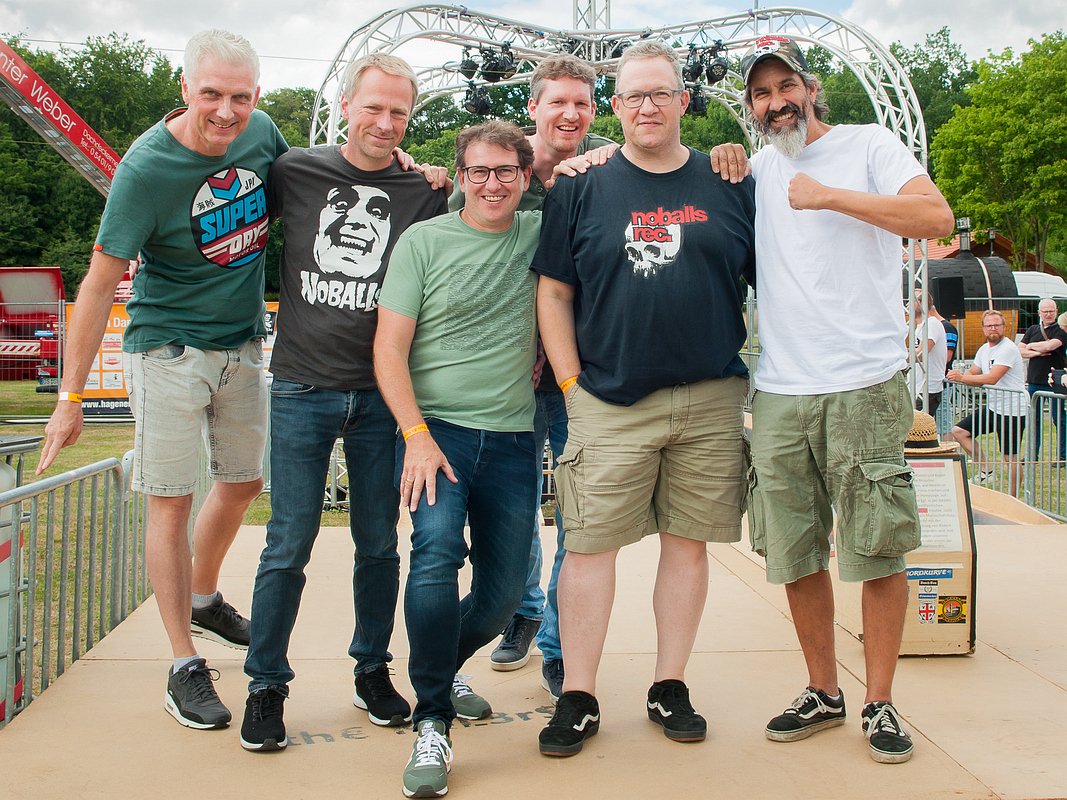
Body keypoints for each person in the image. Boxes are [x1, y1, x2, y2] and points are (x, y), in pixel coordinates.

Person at [36, 29, 288, 730]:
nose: (226, 112)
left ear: (256, 96)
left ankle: (202, 598)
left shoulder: (262, 134)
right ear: (184, 90)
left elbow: (307, 189)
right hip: (167, 351)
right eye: (211, 95)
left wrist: (410, 168)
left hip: (242, 343)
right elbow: (97, 285)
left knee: (243, 484)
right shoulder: (145, 171)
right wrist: (69, 397)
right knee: (170, 503)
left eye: (239, 97)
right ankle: (183, 664)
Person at [734, 35, 953, 765]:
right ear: (751, 107)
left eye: (785, 87)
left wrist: (829, 196)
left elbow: (936, 219)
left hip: (864, 382)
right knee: (794, 551)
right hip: (779, 390)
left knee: (877, 546)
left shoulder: (869, 145)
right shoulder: (756, 168)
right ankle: (823, 691)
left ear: (810, 88)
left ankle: (879, 702)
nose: (776, 103)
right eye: (761, 94)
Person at [533, 40, 755, 758]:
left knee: (687, 546)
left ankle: (669, 683)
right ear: (617, 105)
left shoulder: (729, 181)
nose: (648, 106)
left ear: (683, 100)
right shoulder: (580, 186)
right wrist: (572, 387)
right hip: (608, 397)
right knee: (588, 547)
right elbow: (553, 294)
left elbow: (771, 280)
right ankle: (578, 694)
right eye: (634, 95)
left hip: (709, 396)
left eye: (661, 93)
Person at [239, 53, 449, 752]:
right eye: (373, 108)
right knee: (287, 543)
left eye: (398, 112)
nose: (384, 123)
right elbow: (226, 208)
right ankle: (266, 685)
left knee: (379, 544)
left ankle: (371, 670)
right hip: (301, 386)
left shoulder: (424, 190)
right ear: (345, 107)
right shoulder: (294, 171)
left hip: (382, 397)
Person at [374, 120, 540, 798]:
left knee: (503, 597)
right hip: (434, 432)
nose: (491, 184)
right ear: (461, 176)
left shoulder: (538, 234)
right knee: (436, 555)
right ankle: (432, 719)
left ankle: (436, 669)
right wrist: (415, 434)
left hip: (512, 437)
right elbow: (388, 348)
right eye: (478, 171)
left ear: (524, 177)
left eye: (505, 171)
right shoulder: (424, 241)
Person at [448, 54, 611, 695]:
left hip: (579, 372)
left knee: (579, 515)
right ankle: (523, 609)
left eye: (582, 103)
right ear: (533, 107)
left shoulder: (609, 165)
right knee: (510, 512)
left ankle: (559, 647)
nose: (570, 114)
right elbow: (455, 236)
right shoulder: (498, 170)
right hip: (508, 374)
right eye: (557, 102)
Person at [948, 309, 1028, 495]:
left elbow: (992, 378)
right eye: (989, 325)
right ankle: (986, 470)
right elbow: (974, 371)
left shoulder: (1008, 348)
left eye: (996, 325)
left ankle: (1013, 497)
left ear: (1004, 327)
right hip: (993, 407)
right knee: (959, 431)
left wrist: (962, 378)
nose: (993, 328)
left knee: (1010, 456)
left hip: (1012, 409)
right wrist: (960, 375)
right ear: (983, 328)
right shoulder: (984, 349)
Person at [1018, 298, 1067, 461]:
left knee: (1059, 419)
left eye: (1051, 311)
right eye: (1045, 311)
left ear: (1056, 312)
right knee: (1034, 421)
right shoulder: (1032, 329)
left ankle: (1063, 455)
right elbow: (1020, 350)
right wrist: (1038, 352)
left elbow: (1051, 346)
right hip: (1034, 381)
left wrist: (1031, 346)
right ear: (1039, 313)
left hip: (1055, 381)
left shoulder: (1061, 330)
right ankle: (1032, 455)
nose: (1048, 314)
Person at [910, 297, 947, 418]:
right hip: (918, 387)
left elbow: (921, 354)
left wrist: (896, 359)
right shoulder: (920, 326)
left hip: (927, 388)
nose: (908, 304)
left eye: (912, 300)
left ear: (922, 303)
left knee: (917, 427)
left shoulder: (931, 324)